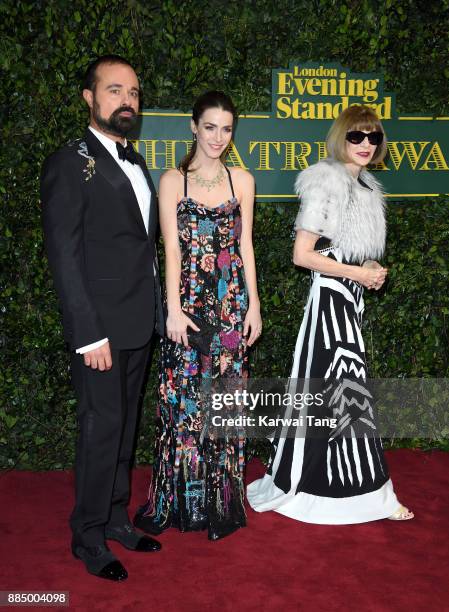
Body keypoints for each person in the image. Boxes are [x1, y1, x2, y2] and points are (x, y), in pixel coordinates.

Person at [247, 105, 414, 524]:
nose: (365, 145)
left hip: (349, 302)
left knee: (345, 392)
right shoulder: (324, 183)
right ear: (341, 137)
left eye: (373, 137)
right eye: (356, 136)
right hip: (329, 307)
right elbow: (303, 255)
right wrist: (357, 271)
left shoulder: (369, 189)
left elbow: (349, 253)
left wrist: (370, 271)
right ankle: (358, 491)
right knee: (340, 391)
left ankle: (364, 491)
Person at [41, 55, 165, 581]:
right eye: (115, 90)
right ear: (89, 98)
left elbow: (141, 247)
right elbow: (64, 254)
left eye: (134, 92)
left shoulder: (135, 162)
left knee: (124, 428)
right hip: (100, 331)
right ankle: (88, 534)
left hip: (138, 320)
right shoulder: (69, 162)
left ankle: (115, 517)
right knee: (100, 429)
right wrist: (87, 332)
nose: (127, 100)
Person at [134, 91, 261, 540]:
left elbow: (245, 248)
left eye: (227, 129)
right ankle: (180, 502)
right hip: (186, 307)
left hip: (229, 308)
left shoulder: (242, 180)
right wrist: (172, 309)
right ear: (193, 127)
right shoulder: (173, 181)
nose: (218, 138)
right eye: (210, 127)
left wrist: (255, 307)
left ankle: (221, 506)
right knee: (183, 403)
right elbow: (169, 249)